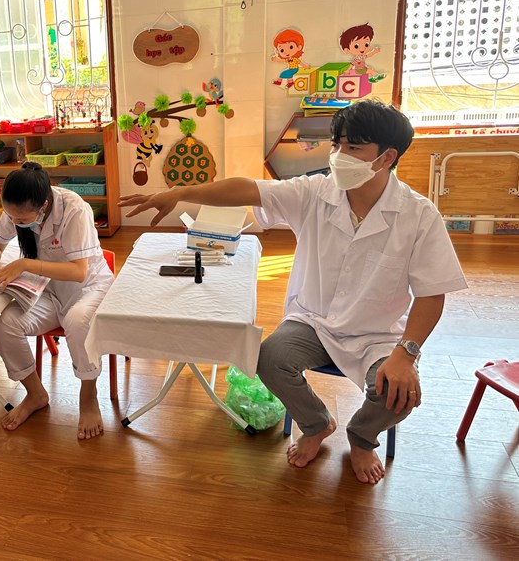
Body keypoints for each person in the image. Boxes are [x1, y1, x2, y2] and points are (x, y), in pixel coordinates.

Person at [119, 100, 467, 483]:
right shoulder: (316, 192)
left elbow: (432, 295)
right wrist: (181, 191)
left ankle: (363, 437)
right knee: (268, 359)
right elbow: (249, 189)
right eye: (337, 144)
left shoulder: (419, 215)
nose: (339, 156)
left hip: (378, 334)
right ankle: (317, 424)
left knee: (398, 393)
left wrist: (406, 353)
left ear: (387, 157)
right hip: (313, 321)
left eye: (353, 147)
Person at [0, 162, 114, 439]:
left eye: (22, 219)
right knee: (4, 324)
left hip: (88, 288)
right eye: (11, 217)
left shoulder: (74, 209)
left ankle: (88, 396)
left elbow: (79, 271)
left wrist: (25, 264)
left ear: (44, 205)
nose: (16, 223)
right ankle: (35, 394)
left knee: (77, 322)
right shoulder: (17, 207)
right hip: (46, 289)